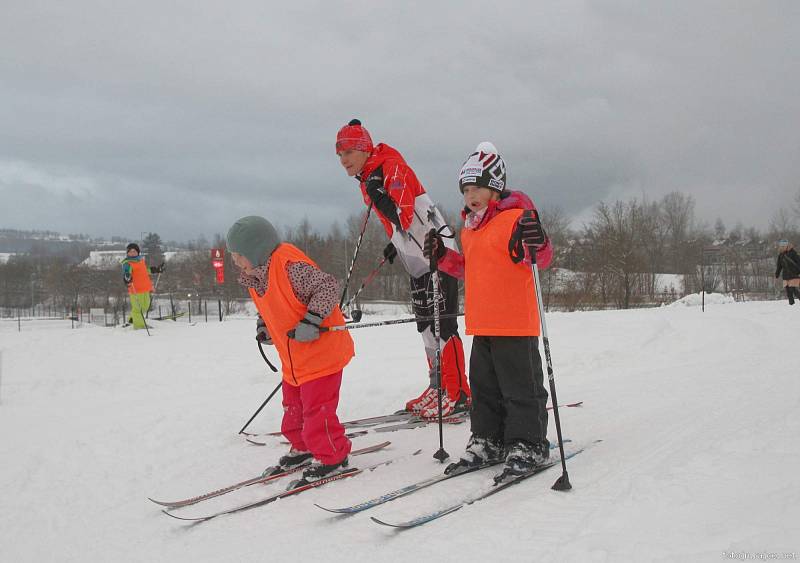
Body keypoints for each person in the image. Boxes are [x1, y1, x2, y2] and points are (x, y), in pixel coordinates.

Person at [424, 141, 554, 479]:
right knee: (484, 389)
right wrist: (442, 256)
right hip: (482, 324)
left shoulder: (516, 219)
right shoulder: (471, 228)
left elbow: (542, 257)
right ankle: (488, 439)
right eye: (466, 188)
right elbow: (470, 268)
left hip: (515, 324)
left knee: (520, 389)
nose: (471, 195)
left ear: (495, 188)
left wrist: (536, 240)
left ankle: (529, 443)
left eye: (478, 186)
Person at [335, 118, 470, 418]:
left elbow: (404, 215)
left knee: (442, 324)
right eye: (339, 155)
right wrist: (396, 243)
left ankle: (458, 391)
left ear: (364, 149)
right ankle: (438, 387)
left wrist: (378, 196)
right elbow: (399, 224)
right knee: (424, 325)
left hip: (438, 253)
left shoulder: (389, 166)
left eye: (348, 153)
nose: (343, 160)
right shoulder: (370, 175)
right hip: (415, 255)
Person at [227, 215, 354, 483]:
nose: (235, 262)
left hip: (321, 355)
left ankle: (333, 456)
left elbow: (327, 287)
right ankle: (304, 446)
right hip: (294, 359)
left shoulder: (290, 267)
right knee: (292, 409)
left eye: (239, 255)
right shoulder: (255, 275)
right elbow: (273, 305)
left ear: (256, 250)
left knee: (317, 412)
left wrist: (312, 320)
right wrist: (264, 326)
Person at [121, 243, 163, 329]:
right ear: (127, 253)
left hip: (145, 288)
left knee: (145, 306)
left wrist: (155, 270)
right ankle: (140, 326)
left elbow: (145, 271)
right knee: (138, 309)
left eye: (134, 251)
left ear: (138, 252)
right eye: (130, 251)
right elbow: (126, 273)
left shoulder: (140, 260)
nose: (132, 253)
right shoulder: (127, 263)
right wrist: (127, 277)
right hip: (135, 289)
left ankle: (132, 320)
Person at [775, 239, 800, 305]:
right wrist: (776, 274)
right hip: (786, 275)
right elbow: (779, 266)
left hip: (794, 274)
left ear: (787, 245)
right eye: (781, 246)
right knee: (788, 291)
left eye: (784, 246)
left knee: (792, 289)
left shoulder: (793, 253)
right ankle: (791, 304)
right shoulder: (780, 255)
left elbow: (799, 262)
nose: (782, 247)